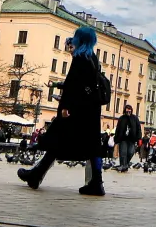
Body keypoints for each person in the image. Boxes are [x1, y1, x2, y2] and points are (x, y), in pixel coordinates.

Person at [17, 25, 107, 196]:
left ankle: (36, 175)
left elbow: (73, 84)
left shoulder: (80, 57)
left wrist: (66, 107)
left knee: (57, 139)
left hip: (77, 110)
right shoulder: (93, 58)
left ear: (80, 39)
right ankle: (96, 183)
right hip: (91, 110)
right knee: (92, 146)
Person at [114, 104, 142, 171]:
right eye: (127, 111)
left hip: (132, 139)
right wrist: (116, 138)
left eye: (129, 111)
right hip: (123, 138)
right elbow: (118, 129)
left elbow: (138, 128)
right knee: (123, 153)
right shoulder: (121, 118)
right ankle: (123, 166)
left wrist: (139, 137)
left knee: (130, 152)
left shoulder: (135, 118)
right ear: (125, 111)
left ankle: (125, 164)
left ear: (131, 111)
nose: (128, 112)